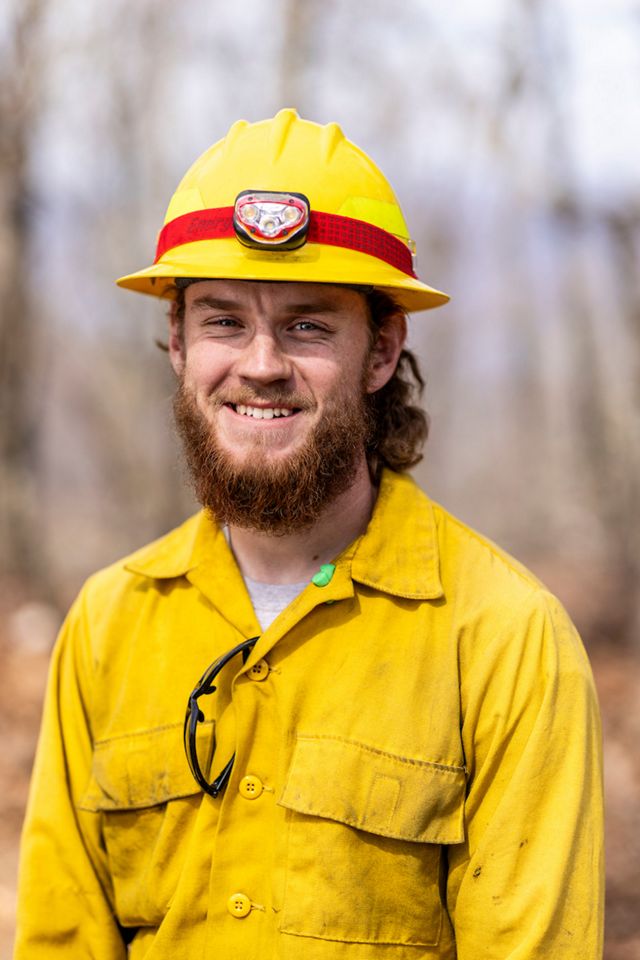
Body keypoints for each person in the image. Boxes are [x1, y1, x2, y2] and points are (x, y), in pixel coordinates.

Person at [15, 109, 604, 959]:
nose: (260, 363)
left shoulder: (506, 641)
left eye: (307, 325)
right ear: (176, 344)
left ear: (380, 350)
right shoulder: (108, 627)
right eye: (223, 320)